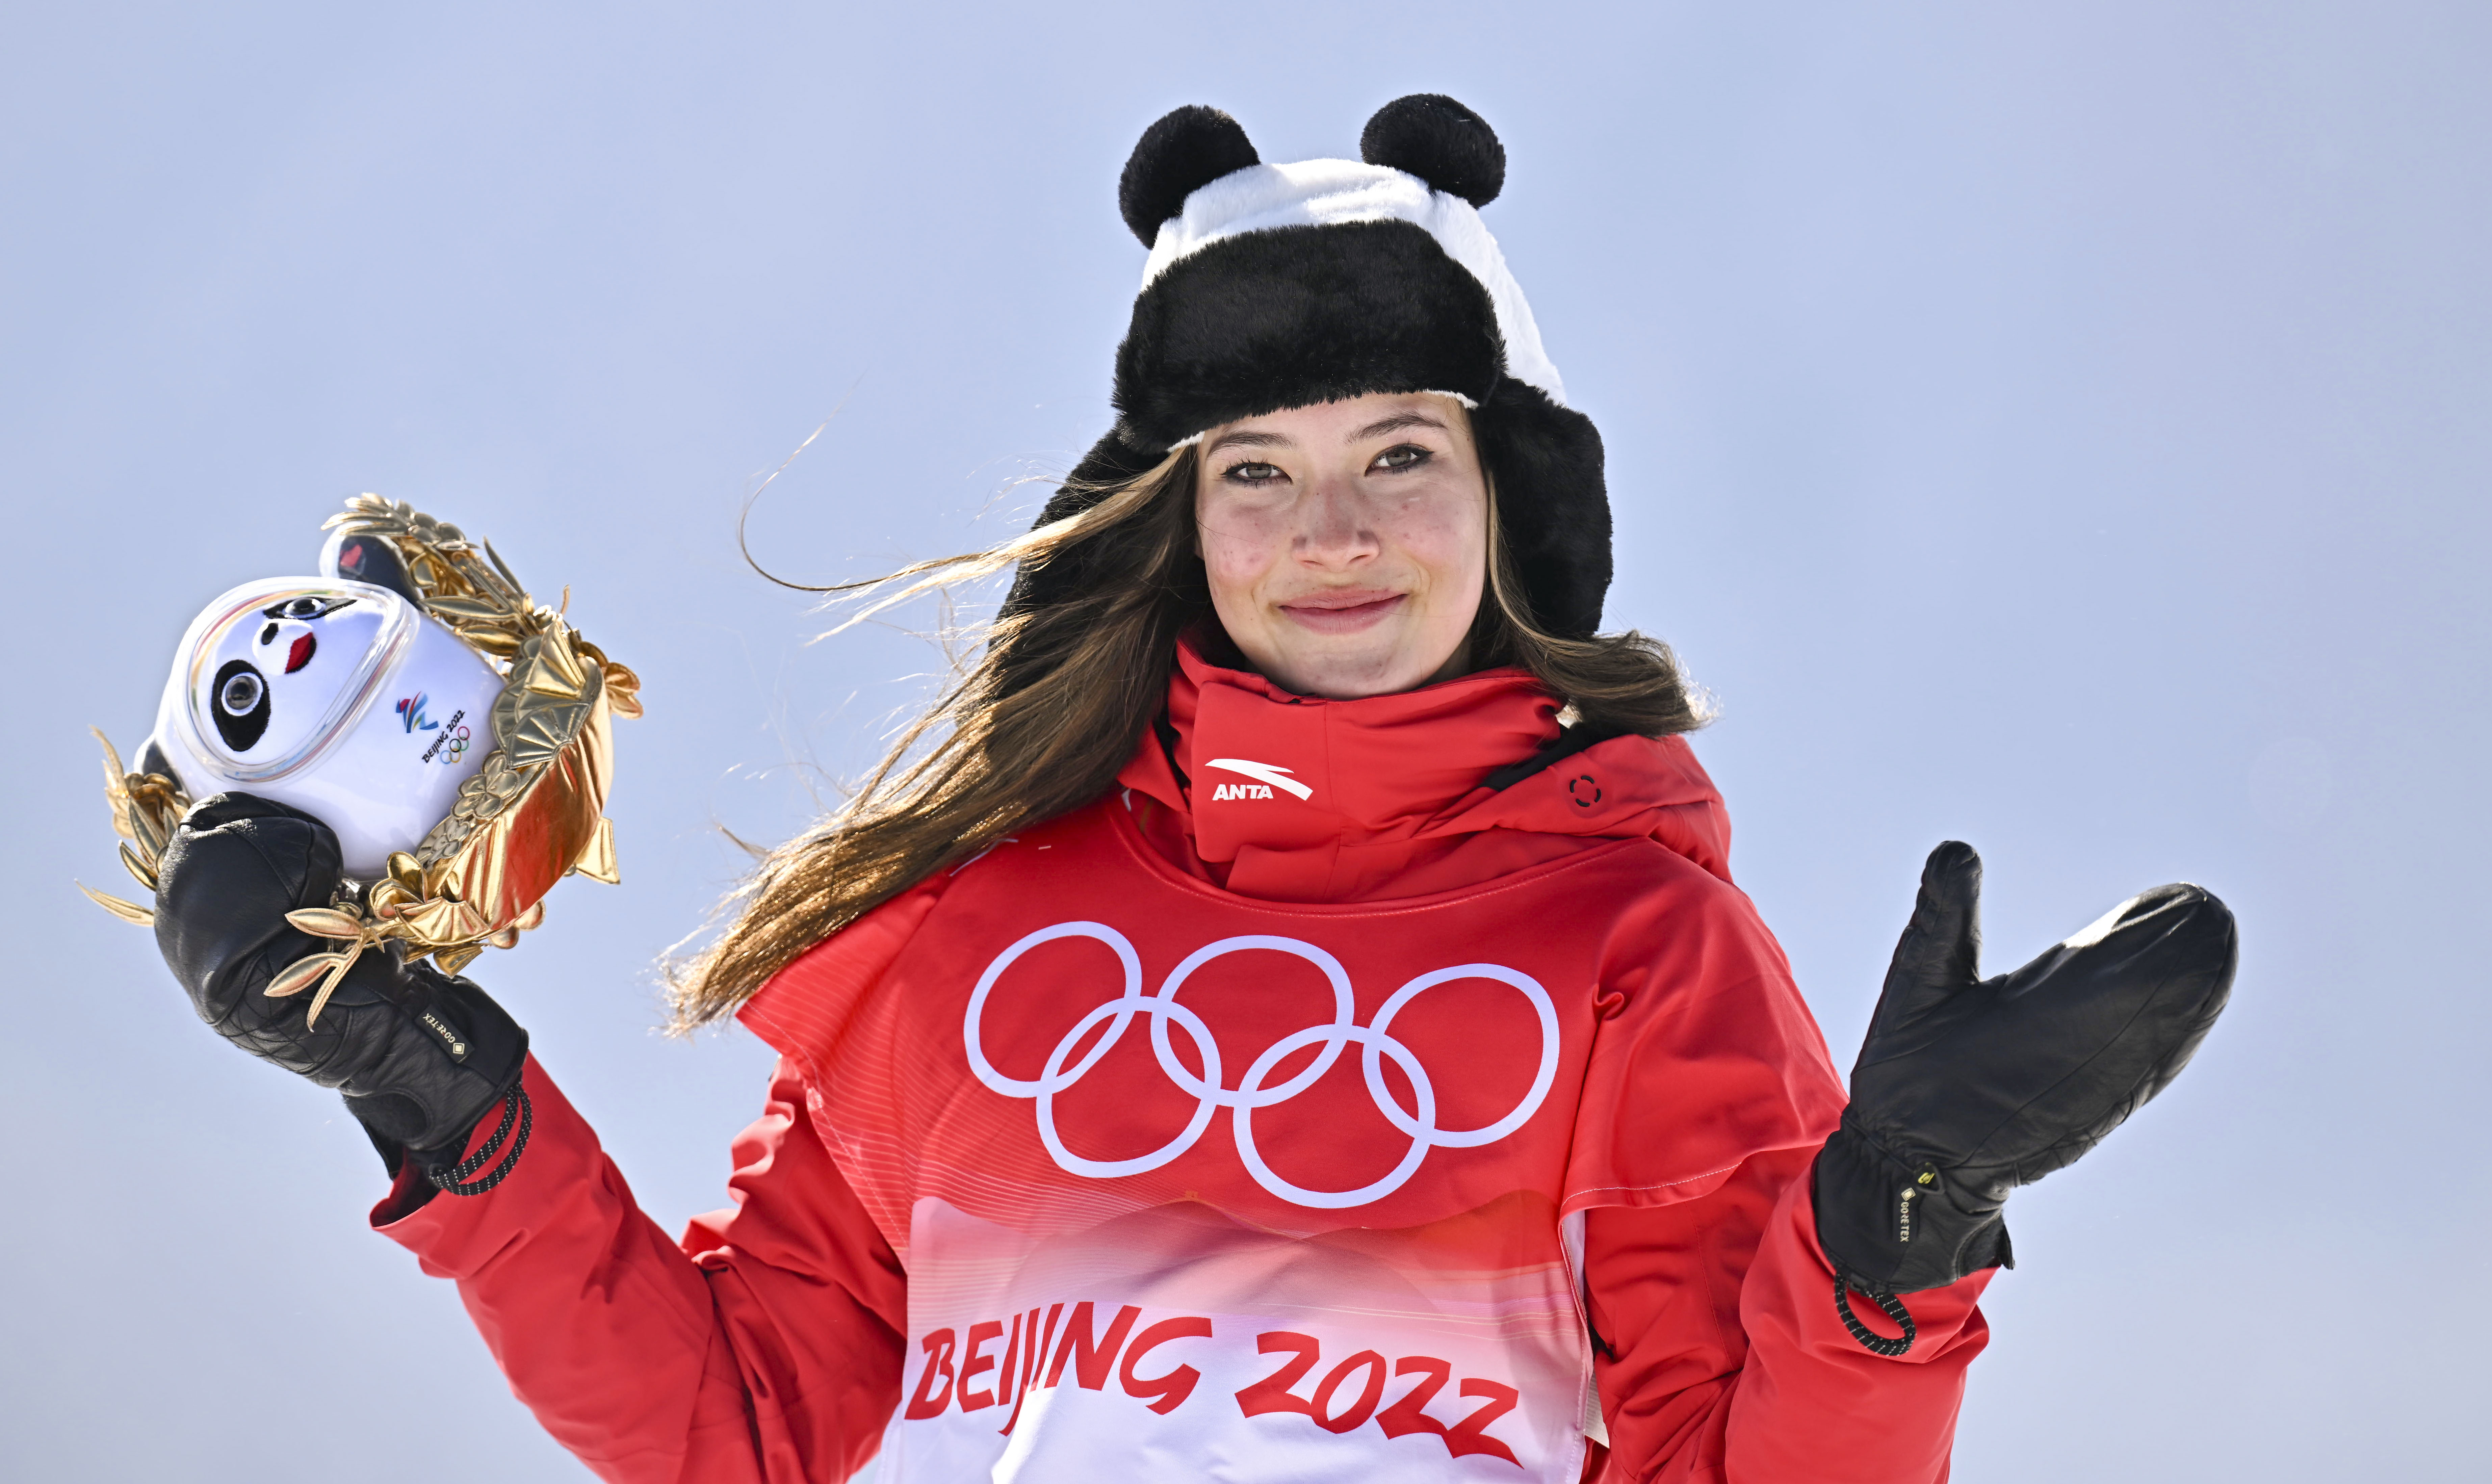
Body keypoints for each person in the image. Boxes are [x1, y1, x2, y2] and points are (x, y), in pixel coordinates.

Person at [149, 97, 2236, 1483]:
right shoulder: (978, 922)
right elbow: (736, 1427)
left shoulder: (1638, 946)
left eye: (1399, 456)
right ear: (1179, 518)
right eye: (1258, 470)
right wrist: (440, 1103)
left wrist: (1890, 1248)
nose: (1332, 529)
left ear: (1510, 500)